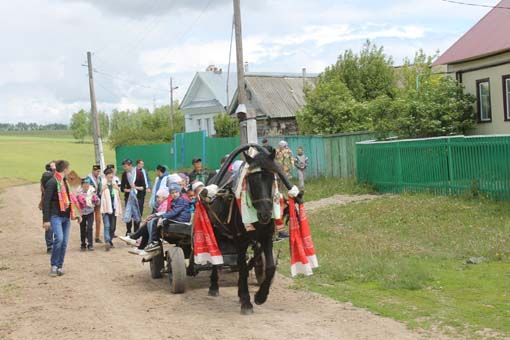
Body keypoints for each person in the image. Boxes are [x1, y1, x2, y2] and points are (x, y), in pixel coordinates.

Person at [42, 160, 81, 277]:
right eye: (68, 169)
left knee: (64, 242)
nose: (69, 171)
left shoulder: (65, 182)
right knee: (59, 239)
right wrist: (46, 220)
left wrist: (76, 214)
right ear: (64, 169)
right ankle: (53, 265)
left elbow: (71, 198)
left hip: (66, 216)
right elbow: (46, 201)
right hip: (55, 216)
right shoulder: (52, 182)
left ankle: (59, 266)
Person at [120, 186, 170, 255]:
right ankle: (139, 245)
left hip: (161, 223)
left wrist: (153, 216)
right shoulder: (162, 204)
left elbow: (163, 214)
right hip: (159, 222)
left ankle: (134, 239)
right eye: (157, 197)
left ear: (164, 197)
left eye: (159, 197)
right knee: (147, 226)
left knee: (147, 225)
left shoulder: (165, 204)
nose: (157, 199)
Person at [145, 183, 191, 252]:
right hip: (177, 218)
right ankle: (152, 241)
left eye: (176, 192)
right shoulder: (175, 200)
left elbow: (174, 212)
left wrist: (162, 216)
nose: (175, 194)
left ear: (179, 192)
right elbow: (172, 212)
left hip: (181, 219)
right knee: (158, 221)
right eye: (172, 193)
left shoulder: (181, 200)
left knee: (156, 221)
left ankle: (154, 241)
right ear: (170, 194)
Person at [120, 159, 146, 234]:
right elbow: (122, 188)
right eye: (123, 166)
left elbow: (143, 187)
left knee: (137, 214)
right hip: (128, 198)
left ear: (130, 165)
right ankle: (128, 231)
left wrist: (135, 187)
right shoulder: (124, 174)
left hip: (138, 197)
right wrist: (128, 190)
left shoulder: (139, 173)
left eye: (125, 166)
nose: (124, 168)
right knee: (129, 214)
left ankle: (136, 232)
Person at [101, 168, 123, 251]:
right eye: (109, 174)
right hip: (105, 208)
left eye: (112, 174)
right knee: (107, 225)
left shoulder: (115, 184)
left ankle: (110, 240)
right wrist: (102, 189)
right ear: (106, 176)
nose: (111, 175)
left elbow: (118, 195)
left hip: (113, 208)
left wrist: (117, 188)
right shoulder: (102, 184)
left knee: (113, 227)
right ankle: (107, 241)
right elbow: (97, 193)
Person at [77, 178, 99, 251]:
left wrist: (95, 200)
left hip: (90, 212)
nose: (86, 185)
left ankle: (90, 244)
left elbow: (98, 202)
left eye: (87, 184)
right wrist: (78, 200)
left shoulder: (92, 191)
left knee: (89, 228)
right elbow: (75, 204)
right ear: (82, 185)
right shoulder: (78, 192)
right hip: (82, 213)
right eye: (85, 184)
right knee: (82, 228)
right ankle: (83, 244)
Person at [39, 161, 55, 253]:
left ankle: (51, 246)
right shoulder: (47, 176)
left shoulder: (46, 176)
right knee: (49, 225)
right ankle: (50, 246)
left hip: (48, 203)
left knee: (50, 225)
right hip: (48, 203)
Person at [86, 165, 104, 244]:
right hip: (90, 201)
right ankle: (88, 234)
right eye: (96, 171)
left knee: (98, 219)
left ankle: (97, 236)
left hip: (98, 200)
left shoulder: (99, 178)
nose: (97, 172)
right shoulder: (88, 178)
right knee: (89, 219)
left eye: (98, 171)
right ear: (93, 170)